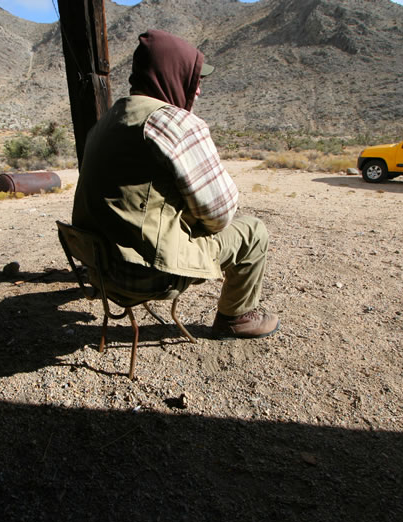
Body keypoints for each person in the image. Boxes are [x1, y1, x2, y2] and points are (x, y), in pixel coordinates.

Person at [71, 29, 279, 339]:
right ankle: (236, 317)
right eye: (195, 81)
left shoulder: (106, 121)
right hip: (145, 275)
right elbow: (220, 214)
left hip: (98, 269)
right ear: (173, 75)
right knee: (253, 232)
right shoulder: (173, 121)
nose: (197, 92)